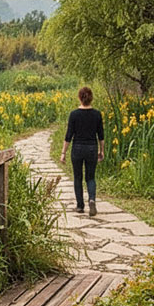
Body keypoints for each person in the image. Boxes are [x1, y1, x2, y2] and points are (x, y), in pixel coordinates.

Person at [59, 86, 104, 216]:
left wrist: (63, 153)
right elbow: (101, 135)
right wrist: (102, 151)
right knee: (90, 177)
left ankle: (80, 206)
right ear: (91, 98)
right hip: (91, 148)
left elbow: (69, 136)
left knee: (77, 177)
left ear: (79, 98)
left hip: (77, 149)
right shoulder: (97, 114)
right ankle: (92, 199)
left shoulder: (74, 114)